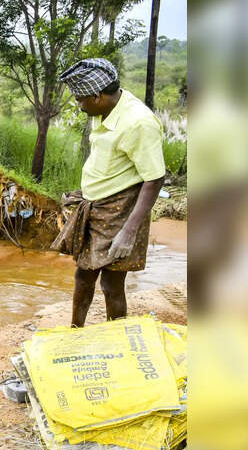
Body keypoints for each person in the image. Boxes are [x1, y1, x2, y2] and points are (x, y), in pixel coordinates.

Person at [52, 57, 166, 327]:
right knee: (83, 275)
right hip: (95, 205)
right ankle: (75, 330)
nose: (79, 105)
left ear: (98, 95)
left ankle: (117, 336)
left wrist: (129, 231)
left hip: (121, 210)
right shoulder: (103, 110)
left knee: (112, 283)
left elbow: (155, 178)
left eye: (81, 99)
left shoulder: (139, 123)